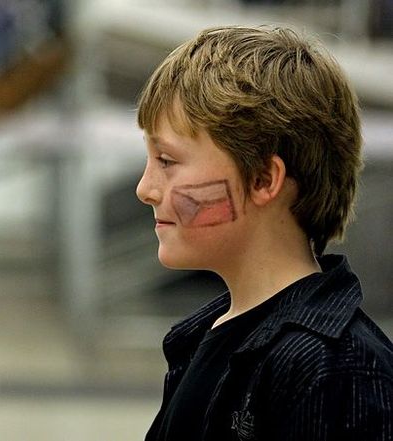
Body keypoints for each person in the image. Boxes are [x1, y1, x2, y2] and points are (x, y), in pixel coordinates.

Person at [135, 26, 393, 440]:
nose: (144, 188)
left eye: (167, 160)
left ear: (262, 179)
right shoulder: (204, 339)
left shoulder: (334, 369)